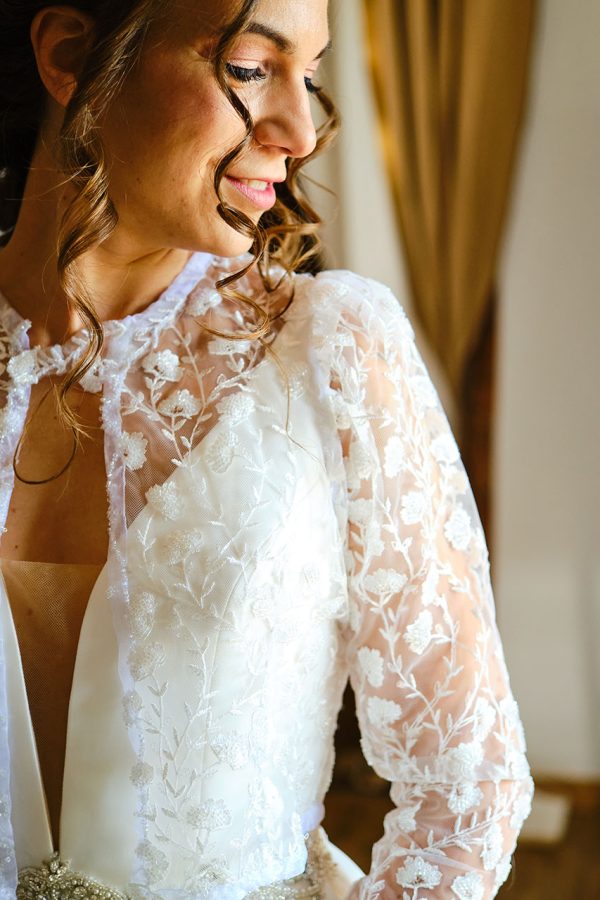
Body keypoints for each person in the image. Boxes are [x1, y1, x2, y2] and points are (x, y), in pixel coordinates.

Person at [0, 0, 533, 897]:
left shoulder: (333, 348)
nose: (298, 130)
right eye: (251, 68)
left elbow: (466, 786)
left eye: (311, 77)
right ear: (68, 57)